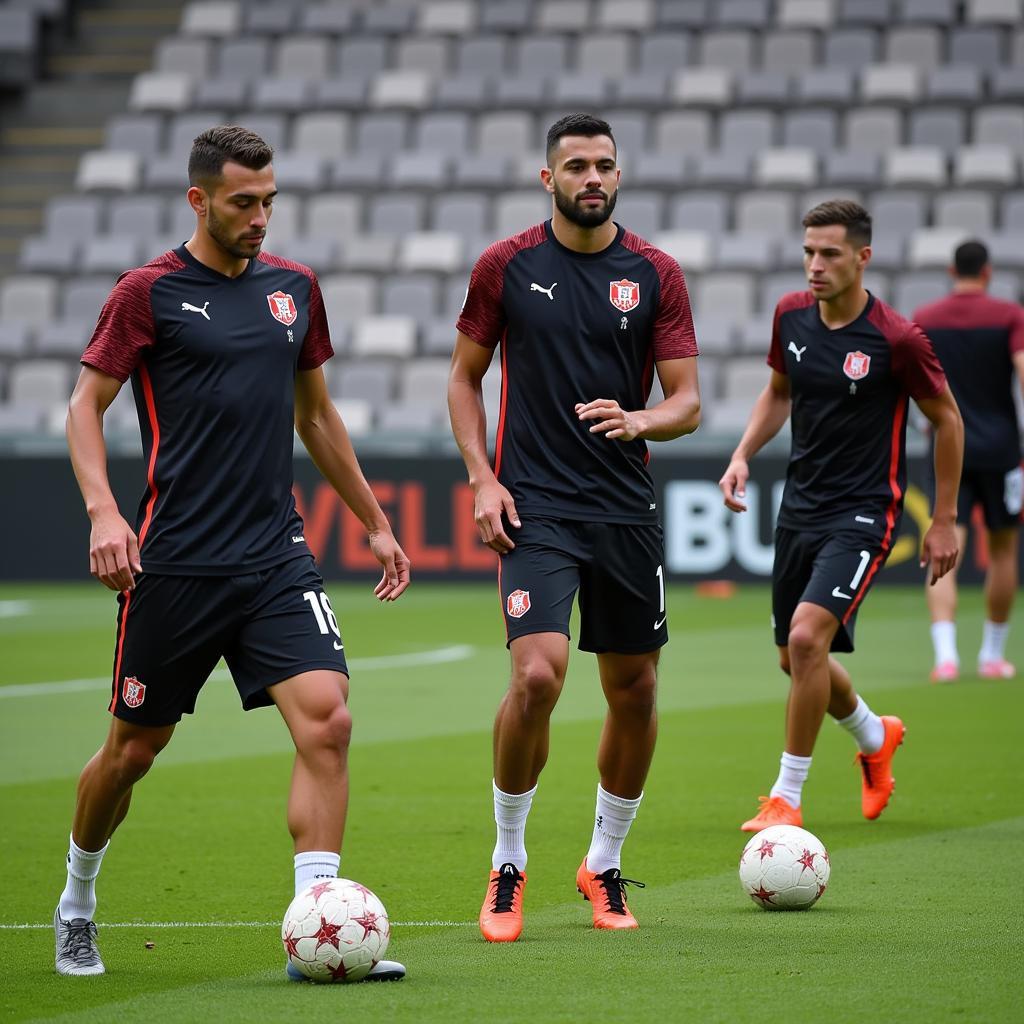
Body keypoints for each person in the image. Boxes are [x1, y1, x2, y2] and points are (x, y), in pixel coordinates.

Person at [55, 125, 410, 980]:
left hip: (274, 558)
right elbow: (82, 408)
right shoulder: (146, 293)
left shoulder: (295, 289)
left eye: (269, 201)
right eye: (244, 202)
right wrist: (106, 515)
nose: (260, 218)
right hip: (173, 564)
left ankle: (314, 925)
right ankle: (77, 901)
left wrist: (373, 520)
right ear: (199, 200)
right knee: (131, 754)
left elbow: (316, 416)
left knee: (329, 719)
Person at [448, 113, 700, 941]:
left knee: (636, 692)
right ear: (547, 178)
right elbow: (464, 379)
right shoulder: (506, 266)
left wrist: (641, 421)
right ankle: (509, 861)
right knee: (539, 677)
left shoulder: (656, 273)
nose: (592, 177)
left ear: (619, 177)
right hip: (535, 507)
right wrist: (483, 480)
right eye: (576, 166)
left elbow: (687, 403)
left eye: (605, 166)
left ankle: (603, 861)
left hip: (624, 512)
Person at [718, 199, 963, 833]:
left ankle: (786, 797)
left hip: (864, 513)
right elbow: (778, 393)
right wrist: (743, 453)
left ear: (863, 257)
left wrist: (943, 519)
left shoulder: (897, 339)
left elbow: (948, 421)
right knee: (795, 659)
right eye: (808, 252)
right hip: (799, 508)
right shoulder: (791, 316)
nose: (815, 266)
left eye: (829, 253)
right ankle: (874, 735)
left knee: (805, 640)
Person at [913, 240, 1024, 682]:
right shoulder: (1008, 316)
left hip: (947, 447)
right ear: (988, 272)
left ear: (950, 269)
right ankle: (992, 656)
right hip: (1001, 450)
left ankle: (946, 657)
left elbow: (909, 374)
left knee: (942, 545)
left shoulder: (926, 318)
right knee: (1002, 552)